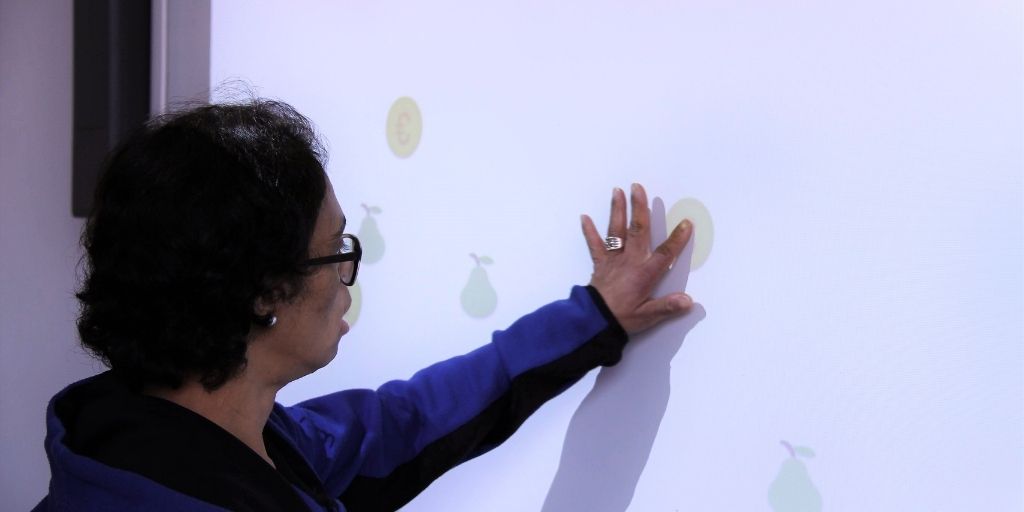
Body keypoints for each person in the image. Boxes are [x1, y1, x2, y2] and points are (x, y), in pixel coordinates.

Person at [34, 99, 694, 512]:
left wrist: (594, 315)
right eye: (335, 249)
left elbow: (410, 422)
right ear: (262, 292)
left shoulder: (172, 438)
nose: (347, 274)